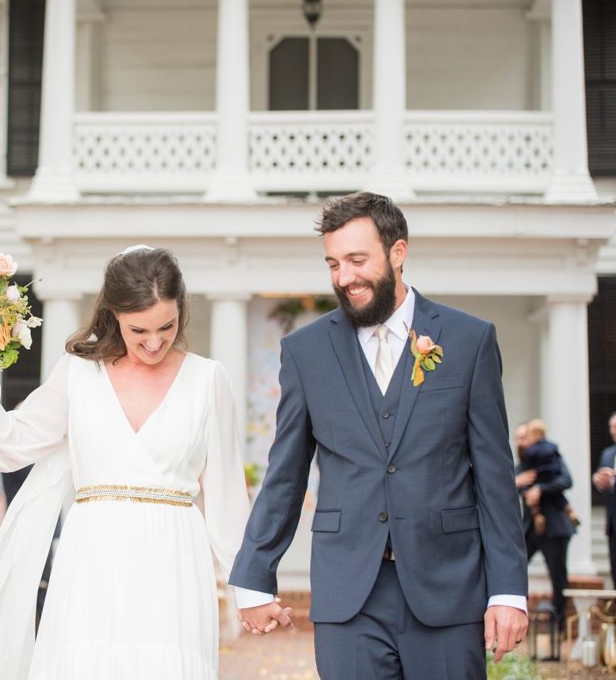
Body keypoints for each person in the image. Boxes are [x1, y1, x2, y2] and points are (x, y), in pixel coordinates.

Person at [230, 192, 528, 679]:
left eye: (356, 260)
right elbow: (286, 474)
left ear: (397, 252)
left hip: (449, 588)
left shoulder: (469, 340)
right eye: (332, 264)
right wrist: (255, 576)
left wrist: (509, 590)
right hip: (348, 593)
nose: (344, 277)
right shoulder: (306, 352)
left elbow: (494, 474)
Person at [0, 246, 251, 679]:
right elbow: (7, 443)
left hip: (174, 561)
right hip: (92, 555)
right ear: (113, 315)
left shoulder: (208, 379)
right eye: (138, 329)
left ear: (181, 309)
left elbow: (226, 495)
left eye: (167, 326)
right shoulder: (78, 373)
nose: (153, 342)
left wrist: (251, 589)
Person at [514, 420, 573, 625]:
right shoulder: (521, 466)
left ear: (534, 437)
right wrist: (517, 483)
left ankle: (559, 623)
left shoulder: (551, 456)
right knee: (515, 567)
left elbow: (566, 480)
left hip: (554, 526)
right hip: (530, 527)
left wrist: (540, 489)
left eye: (524, 438)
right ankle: (519, 613)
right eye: (518, 439)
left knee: (558, 576)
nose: (520, 442)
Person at [593, 412, 616, 585]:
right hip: (613, 523)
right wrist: (599, 481)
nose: (613, 431)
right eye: (611, 427)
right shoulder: (607, 453)